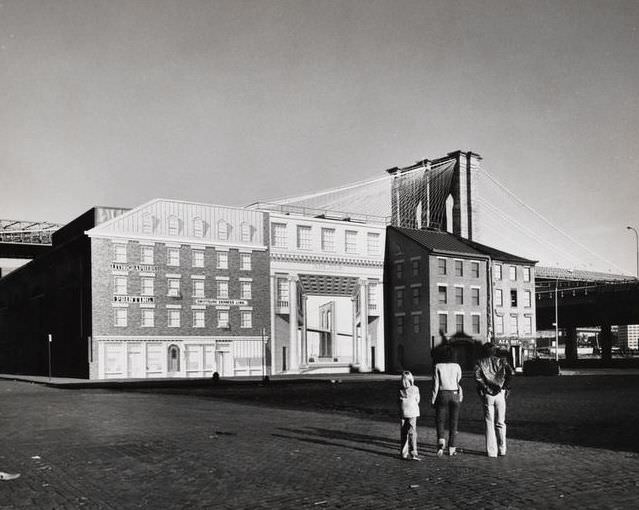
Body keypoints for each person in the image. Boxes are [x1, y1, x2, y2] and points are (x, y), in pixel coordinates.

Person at [474, 343, 515, 458]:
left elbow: (478, 378)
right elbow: (510, 373)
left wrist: (485, 388)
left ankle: (492, 451)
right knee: (501, 422)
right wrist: (505, 387)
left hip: (488, 394)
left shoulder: (480, 363)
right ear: (494, 351)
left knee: (489, 422)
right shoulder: (502, 361)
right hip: (500, 393)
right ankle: (502, 449)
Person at [431, 344, 463, 457]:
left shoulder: (438, 366)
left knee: (440, 420)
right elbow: (459, 380)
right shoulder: (457, 366)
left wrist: (433, 399)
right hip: (454, 393)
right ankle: (452, 448)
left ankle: (441, 441)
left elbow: (435, 385)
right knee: (454, 422)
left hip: (442, 393)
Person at [398, 370, 421, 461]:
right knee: (412, 432)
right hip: (413, 412)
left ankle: (404, 453)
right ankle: (414, 453)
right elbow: (417, 400)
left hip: (403, 411)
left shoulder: (400, 390)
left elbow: (398, 401)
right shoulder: (415, 388)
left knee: (403, 432)